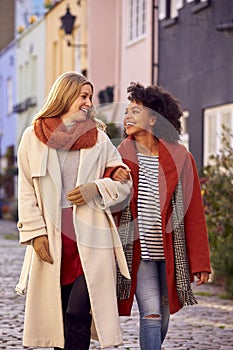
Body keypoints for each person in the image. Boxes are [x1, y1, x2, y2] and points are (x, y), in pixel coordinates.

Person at [16, 71, 132, 350]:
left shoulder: (99, 138)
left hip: (90, 237)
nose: (89, 103)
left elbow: (123, 182)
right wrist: (35, 234)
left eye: (90, 97)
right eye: (83, 96)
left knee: (77, 313)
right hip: (53, 236)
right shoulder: (33, 137)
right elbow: (26, 189)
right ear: (65, 96)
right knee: (58, 314)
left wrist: (98, 187)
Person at [112, 82, 211, 350]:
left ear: (154, 119)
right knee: (152, 314)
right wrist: (112, 177)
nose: (128, 118)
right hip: (138, 252)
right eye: (127, 112)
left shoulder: (181, 157)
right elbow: (108, 200)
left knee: (163, 316)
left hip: (170, 253)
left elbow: (193, 212)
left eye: (136, 112)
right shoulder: (118, 156)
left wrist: (201, 262)